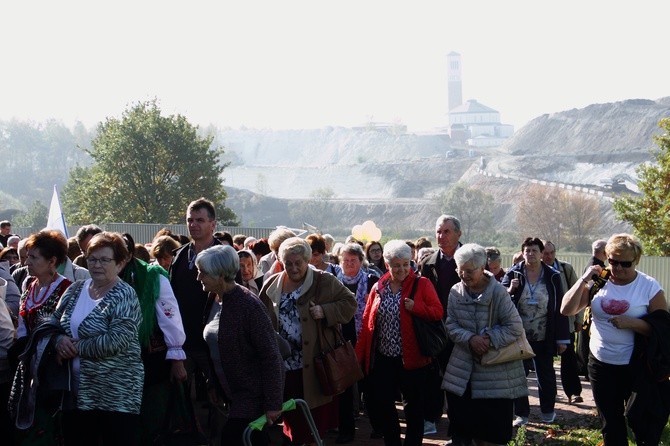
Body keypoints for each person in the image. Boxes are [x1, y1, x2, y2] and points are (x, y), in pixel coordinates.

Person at [561, 233, 668, 445]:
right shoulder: (599, 282)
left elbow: (663, 330)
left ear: (636, 261)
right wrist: (584, 279)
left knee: (640, 420)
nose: (618, 268)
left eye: (625, 264)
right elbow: (566, 309)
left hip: (637, 365)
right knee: (610, 424)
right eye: (613, 261)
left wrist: (634, 323)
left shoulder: (649, 286)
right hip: (601, 364)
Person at [258, 237, 356, 445]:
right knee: (291, 424)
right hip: (285, 367)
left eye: (298, 263)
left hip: (314, 368)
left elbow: (350, 303)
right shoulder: (272, 284)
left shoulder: (323, 280)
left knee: (311, 426)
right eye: (288, 263)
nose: (293, 268)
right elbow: (260, 319)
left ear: (307, 260)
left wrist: (325, 311)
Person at [53, 231, 144, 445]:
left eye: (105, 260)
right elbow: (53, 323)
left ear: (120, 264)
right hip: (75, 394)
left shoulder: (125, 294)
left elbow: (117, 340)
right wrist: (58, 341)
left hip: (115, 395)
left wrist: (75, 347)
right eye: (92, 259)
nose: (96, 265)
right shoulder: (75, 289)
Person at [356, 239, 443, 446]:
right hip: (384, 358)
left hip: (413, 359)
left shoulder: (422, 284)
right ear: (387, 265)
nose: (402, 269)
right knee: (385, 406)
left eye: (405, 264)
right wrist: (360, 357)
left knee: (413, 409)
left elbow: (438, 312)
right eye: (396, 265)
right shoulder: (379, 287)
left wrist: (417, 307)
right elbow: (368, 323)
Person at [197, 245, 284, 446]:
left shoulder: (247, 305)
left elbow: (271, 355)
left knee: (235, 438)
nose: (198, 277)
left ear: (220, 275)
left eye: (203, 273)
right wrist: (213, 385)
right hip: (233, 395)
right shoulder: (216, 298)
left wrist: (273, 403)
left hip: (251, 396)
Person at [443, 243, 528, 445]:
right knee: (463, 433)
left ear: (483, 269)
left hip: (495, 377)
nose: (464, 275)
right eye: (460, 270)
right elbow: (450, 324)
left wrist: (488, 339)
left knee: (491, 436)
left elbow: (515, 327)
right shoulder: (455, 292)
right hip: (462, 373)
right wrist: (469, 339)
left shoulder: (498, 293)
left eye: (469, 271)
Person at [119, 233, 187, 444]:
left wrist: (177, 358)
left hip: (151, 360)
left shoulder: (152, 276)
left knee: (153, 417)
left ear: (129, 255)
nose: (102, 262)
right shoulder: (97, 281)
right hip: (116, 364)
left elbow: (170, 317)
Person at [11, 230, 73, 445]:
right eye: (28, 256)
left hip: (52, 367)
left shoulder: (66, 288)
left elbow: (66, 329)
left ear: (52, 261)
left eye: (34, 257)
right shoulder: (29, 285)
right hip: (28, 364)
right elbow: (22, 323)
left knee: (50, 422)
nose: (27, 262)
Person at [169, 198, 222, 443]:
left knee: (219, 396)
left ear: (213, 223)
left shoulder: (224, 255)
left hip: (215, 343)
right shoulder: (179, 256)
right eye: (190, 220)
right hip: (184, 342)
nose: (193, 225)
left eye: (200, 220)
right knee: (181, 397)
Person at [501, 237, 569, 425]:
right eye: (527, 250)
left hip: (544, 334)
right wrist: (509, 289)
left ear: (541, 253)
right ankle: (521, 414)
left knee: (545, 375)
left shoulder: (553, 275)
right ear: (522, 253)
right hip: (518, 335)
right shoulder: (514, 273)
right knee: (518, 375)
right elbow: (500, 298)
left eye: (534, 250)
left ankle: (548, 411)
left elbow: (561, 308)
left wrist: (562, 339)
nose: (530, 254)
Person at [418, 214, 463, 433]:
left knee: (459, 379)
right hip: (435, 329)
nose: (441, 236)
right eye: (438, 231)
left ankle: (460, 425)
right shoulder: (428, 264)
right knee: (433, 376)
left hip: (464, 330)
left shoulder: (471, 258)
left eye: (446, 231)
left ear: (458, 234)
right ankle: (431, 418)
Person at [334, 242, 380, 443]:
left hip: (366, 339)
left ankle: (379, 426)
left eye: (353, 260)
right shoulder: (333, 283)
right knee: (344, 390)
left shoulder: (372, 281)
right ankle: (346, 430)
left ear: (362, 261)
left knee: (371, 387)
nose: (349, 264)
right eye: (345, 260)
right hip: (340, 341)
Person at [541, 240, 582, 404]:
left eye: (551, 253)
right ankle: (550, 394)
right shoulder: (536, 271)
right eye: (545, 253)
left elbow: (579, 294)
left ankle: (574, 392)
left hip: (566, 322)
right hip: (544, 324)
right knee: (546, 360)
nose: (548, 256)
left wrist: (578, 319)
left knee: (569, 358)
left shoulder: (566, 269)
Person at [576, 239, 608, 379]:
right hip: (591, 309)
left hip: (589, 309)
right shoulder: (597, 268)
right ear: (605, 252)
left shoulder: (591, 264)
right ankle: (587, 368)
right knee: (589, 339)